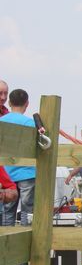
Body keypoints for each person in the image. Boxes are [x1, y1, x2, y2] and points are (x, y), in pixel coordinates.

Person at [0, 89, 36, 226]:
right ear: (27, 104)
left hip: (7, 173)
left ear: (9, 102)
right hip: (27, 172)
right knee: (28, 211)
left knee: (8, 212)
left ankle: (6, 244)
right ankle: (26, 242)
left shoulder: (2, 121)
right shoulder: (31, 123)